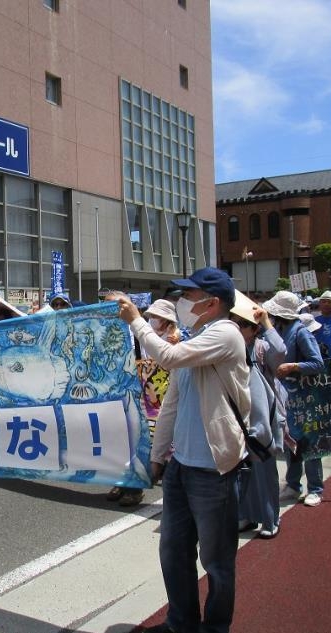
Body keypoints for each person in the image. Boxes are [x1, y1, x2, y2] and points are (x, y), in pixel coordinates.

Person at [116, 267, 249, 633]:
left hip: (213, 468)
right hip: (181, 466)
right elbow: (172, 402)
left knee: (217, 561)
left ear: (212, 302)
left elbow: (169, 359)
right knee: (174, 552)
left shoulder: (225, 334)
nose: (183, 302)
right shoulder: (198, 336)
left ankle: (214, 627)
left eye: (190, 296)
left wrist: (138, 322)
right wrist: (159, 456)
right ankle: (181, 623)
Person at [106, 299, 180, 508]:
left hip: (163, 400)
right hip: (138, 396)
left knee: (153, 443)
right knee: (126, 439)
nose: (152, 320)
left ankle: (141, 484)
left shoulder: (177, 339)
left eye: (157, 317)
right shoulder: (138, 335)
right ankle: (126, 481)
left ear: (166, 320)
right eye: (151, 316)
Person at [261, 291, 326, 508]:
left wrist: (294, 366)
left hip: (303, 395)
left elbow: (318, 363)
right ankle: (292, 484)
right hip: (285, 394)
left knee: (308, 443)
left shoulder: (300, 332)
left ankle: (315, 487)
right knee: (291, 441)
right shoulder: (278, 330)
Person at [230, 295, 287, 540]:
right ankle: (247, 515)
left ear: (254, 329)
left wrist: (266, 321)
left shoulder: (262, 346)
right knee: (243, 470)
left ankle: (270, 517)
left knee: (264, 470)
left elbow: (281, 351)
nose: (237, 328)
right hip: (240, 416)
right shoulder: (230, 346)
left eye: (242, 324)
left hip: (264, 416)